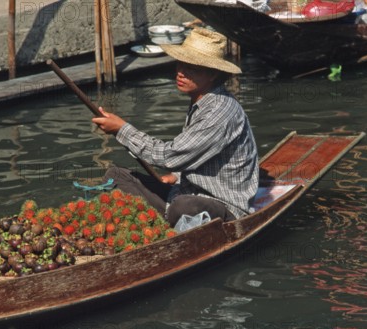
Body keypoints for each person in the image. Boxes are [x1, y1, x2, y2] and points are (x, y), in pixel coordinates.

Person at [92, 28, 259, 226]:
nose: (181, 73)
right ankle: (163, 219)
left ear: (213, 73)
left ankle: (165, 220)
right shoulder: (202, 101)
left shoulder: (219, 111)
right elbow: (199, 154)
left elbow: (170, 156)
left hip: (222, 204)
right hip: (186, 192)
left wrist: (121, 129)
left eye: (192, 68)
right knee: (116, 176)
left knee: (183, 207)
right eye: (180, 64)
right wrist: (178, 176)